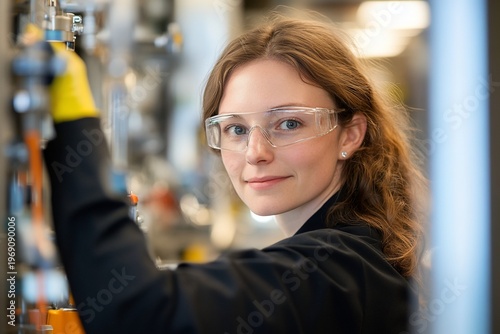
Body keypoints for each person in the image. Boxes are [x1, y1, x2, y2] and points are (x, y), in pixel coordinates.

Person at [41, 12, 428, 334]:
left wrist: (74, 125)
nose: (255, 153)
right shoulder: (363, 252)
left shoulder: (339, 269)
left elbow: (138, 314)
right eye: (236, 129)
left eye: (289, 123)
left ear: (351, 133)